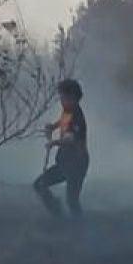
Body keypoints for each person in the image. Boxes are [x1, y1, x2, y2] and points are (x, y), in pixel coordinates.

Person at [33, 79, 89, 219]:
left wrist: (55, 142)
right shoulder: (68, 110)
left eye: (64, 97)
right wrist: (53, 126)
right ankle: (58, 214)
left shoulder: (78, 117)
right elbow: (63, 122)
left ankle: (79, 228)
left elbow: (71, 138)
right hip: (64, 162)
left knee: (72, 200)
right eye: (61, 97)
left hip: (77, 164)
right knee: (39, 184)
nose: (61, 100)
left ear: (73, 98)